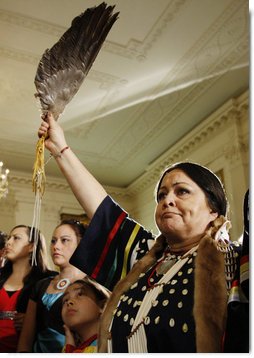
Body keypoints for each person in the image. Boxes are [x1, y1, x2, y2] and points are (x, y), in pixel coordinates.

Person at [37, 113, 243, 353]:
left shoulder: (234, 262)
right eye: (162, 195)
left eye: (182, 192)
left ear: (213, 210)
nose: (168, 201)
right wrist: (60, 148)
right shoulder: (145, 261)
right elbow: (104, 212)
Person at [17, 219, 87, 353]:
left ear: (81, 244)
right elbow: (25, 341)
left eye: (64, 240)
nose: (56, 246)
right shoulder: (41, 285)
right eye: (53, 241)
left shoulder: (90, 285)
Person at [0, 225, 56, 353]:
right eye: (9, 238)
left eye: (16, 238)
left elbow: (57, 317)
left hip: (28, 350)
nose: (8, 242)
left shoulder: (48, 279)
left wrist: (33, 321)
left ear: (32, 246)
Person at [61, 276, 110, 353]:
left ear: (102, 306)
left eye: (80, 294)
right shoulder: (68, 348)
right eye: (65, 300)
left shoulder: (111, 345)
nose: (69, 302)